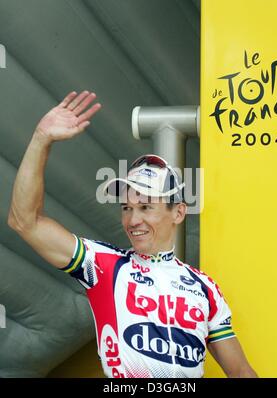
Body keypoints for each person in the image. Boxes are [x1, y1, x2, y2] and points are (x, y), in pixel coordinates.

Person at [8, 91, 257, 378]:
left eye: (145, 207)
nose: (133, 219)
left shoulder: (205, 288)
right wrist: (41, 138)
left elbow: (240, 371)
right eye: (126, 207)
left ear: (178, 212)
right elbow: (24, 221)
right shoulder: (104, 265)